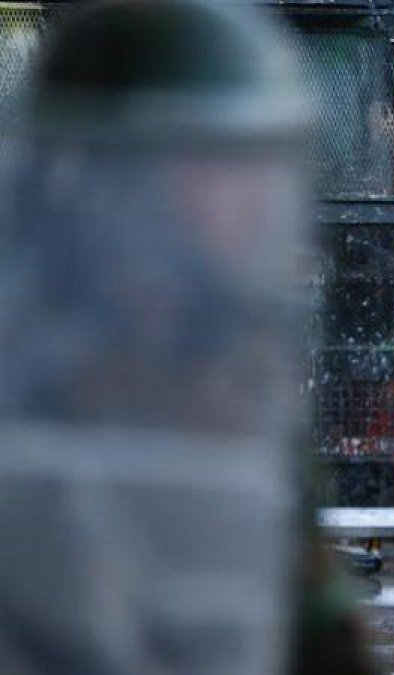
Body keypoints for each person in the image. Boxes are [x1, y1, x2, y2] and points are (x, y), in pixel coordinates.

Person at [0, 1, 316, 672]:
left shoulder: (236, 375)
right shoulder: (28, 370)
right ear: (113, 177)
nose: (259, 200)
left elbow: (307, 626)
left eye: (263, 165)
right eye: (217, 165)